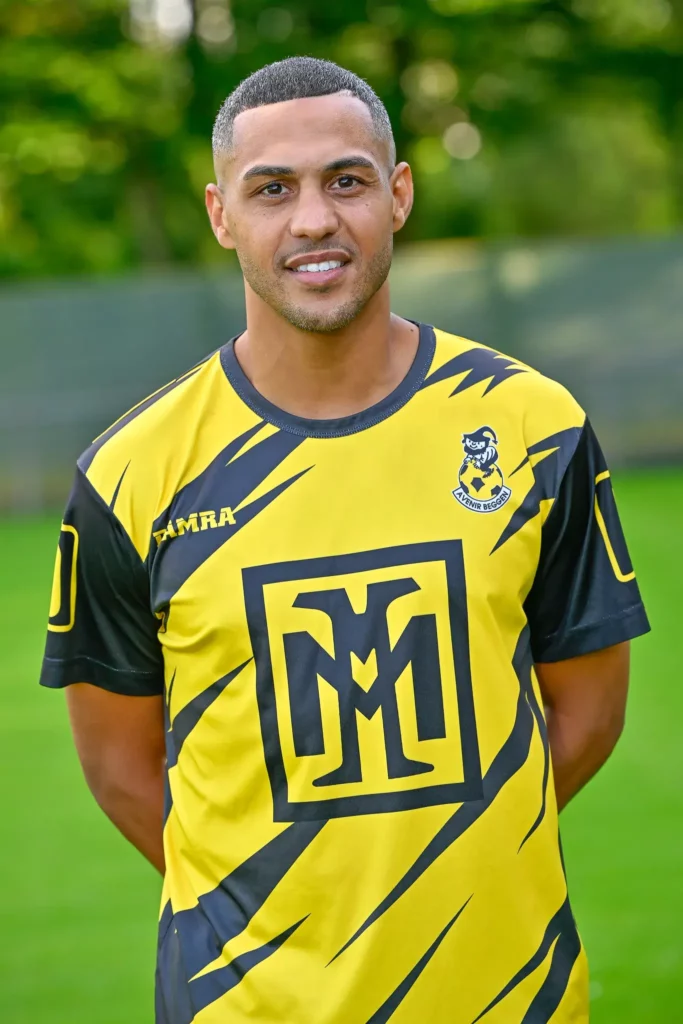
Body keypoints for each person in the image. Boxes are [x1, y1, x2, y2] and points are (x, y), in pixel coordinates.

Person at [40, 57, 650, 1024]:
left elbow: (585, 714)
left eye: (347, 180)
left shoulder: (533, 426)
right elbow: (120, 767)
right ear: (219, 215)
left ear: (398, 195)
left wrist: (445, 866)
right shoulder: (128, 476)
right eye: (271, 189)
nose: (314, 219)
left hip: (505, 997)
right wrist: (290, 903)